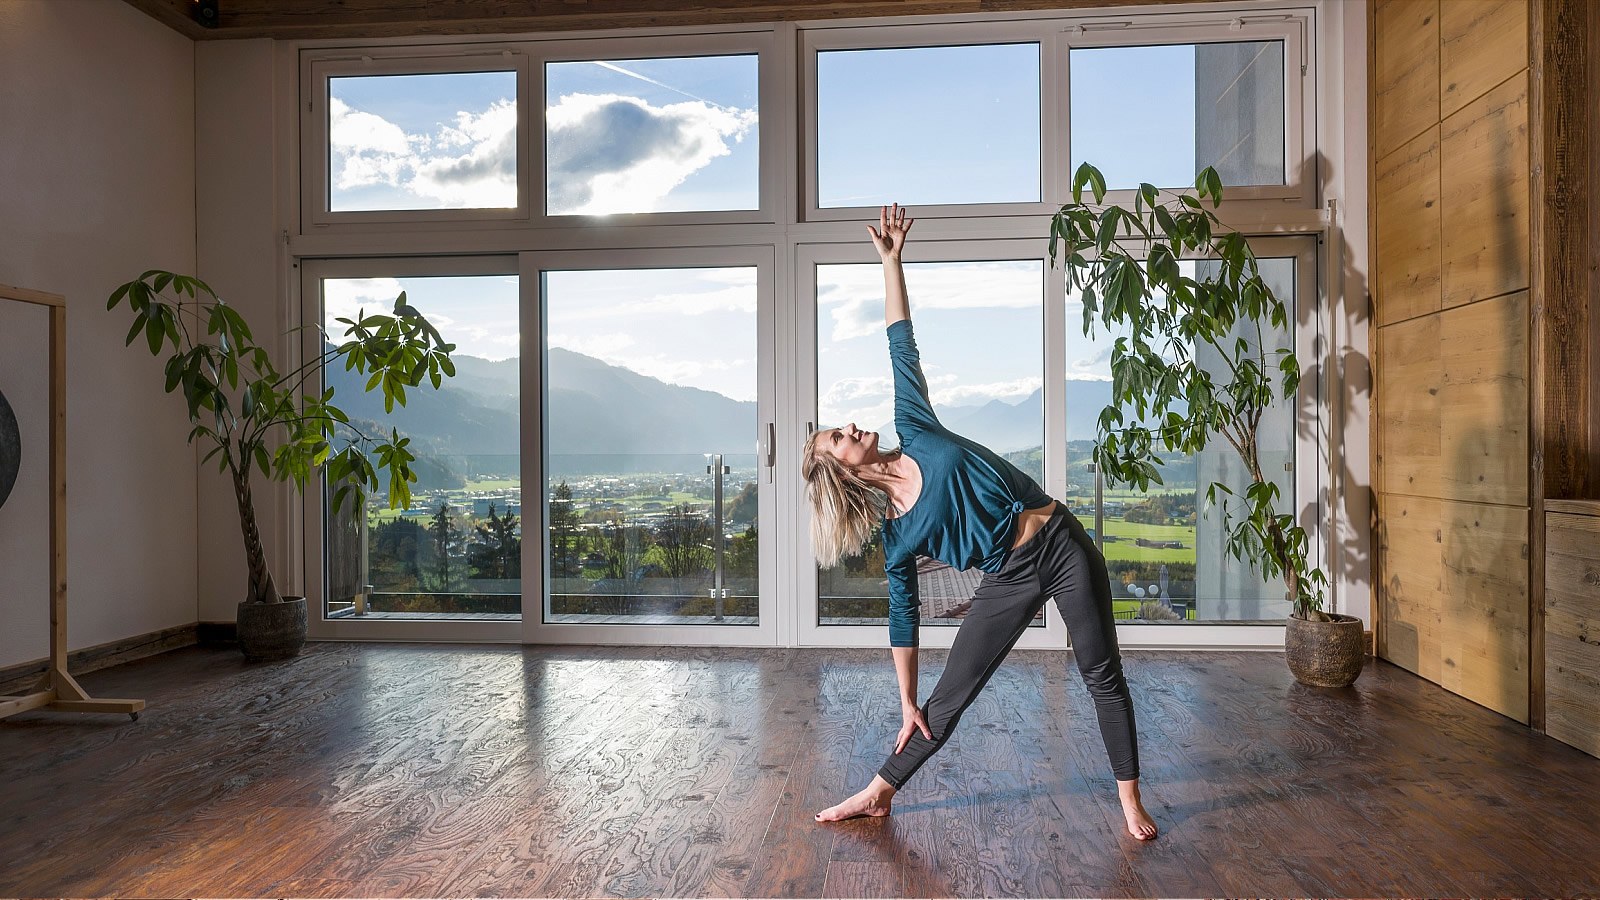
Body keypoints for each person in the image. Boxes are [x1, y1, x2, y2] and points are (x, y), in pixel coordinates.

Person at [802, 204, 1158, 841]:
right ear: (845, 472)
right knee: (947, 702)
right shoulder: (898, 535)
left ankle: (1129, 798)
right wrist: (906, 700)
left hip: (1060, 541)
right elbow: (903, 616)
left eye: (843, 424)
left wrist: (891, 261)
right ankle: (879, 792)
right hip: (1008, 577)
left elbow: (900, 340)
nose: (851, 426)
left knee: (1101, 672)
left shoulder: (915, 426)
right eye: (840, 436)